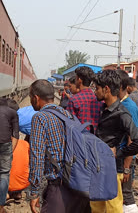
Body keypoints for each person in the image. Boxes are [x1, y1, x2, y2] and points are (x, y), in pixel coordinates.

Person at [28, 79, 91, 213]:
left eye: (30, 98)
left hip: (59, 187)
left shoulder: (40, 118)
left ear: (36, 98)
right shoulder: (67, 114)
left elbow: (37, 156)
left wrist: (34, 193)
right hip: (79, 185)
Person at [92, 70, 138, 213]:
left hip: (113, 171)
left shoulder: (122, 114)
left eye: (96, 88)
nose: (94, 92)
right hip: (98, 167)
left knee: (113, 208)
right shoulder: (104, 109)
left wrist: (119, 153)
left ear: (106, 89)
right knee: (97, 207)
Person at [116, 70, 138, 213]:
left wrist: (126, 167)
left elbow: (133, 139)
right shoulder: (121, 103)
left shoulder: (129, 106)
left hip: (126, 158)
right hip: (122, 157)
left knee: (126, 195)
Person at [67, 66, 103, 131]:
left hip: (80, 138)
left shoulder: (74, 100)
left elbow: (69, 123)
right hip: (96, 139)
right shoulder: (99, 100)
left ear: (79, 80)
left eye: (76, 78)